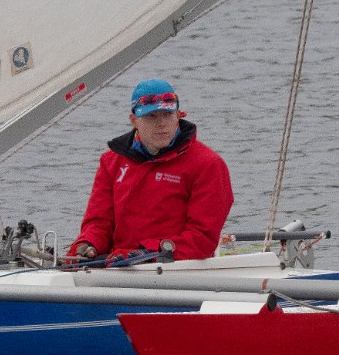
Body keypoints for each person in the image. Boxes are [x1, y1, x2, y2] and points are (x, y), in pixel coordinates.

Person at [66, 78, 233, 264]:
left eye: (167, 115)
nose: (161, 124)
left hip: (178, 272)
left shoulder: (208, 165)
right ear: (134, 120)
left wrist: (147, 253)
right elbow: (99, 223)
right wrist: (87, 244)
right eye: (151, 116)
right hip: (120, 268)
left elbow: (202, 239)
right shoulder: (111, 161)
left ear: (178, 116)